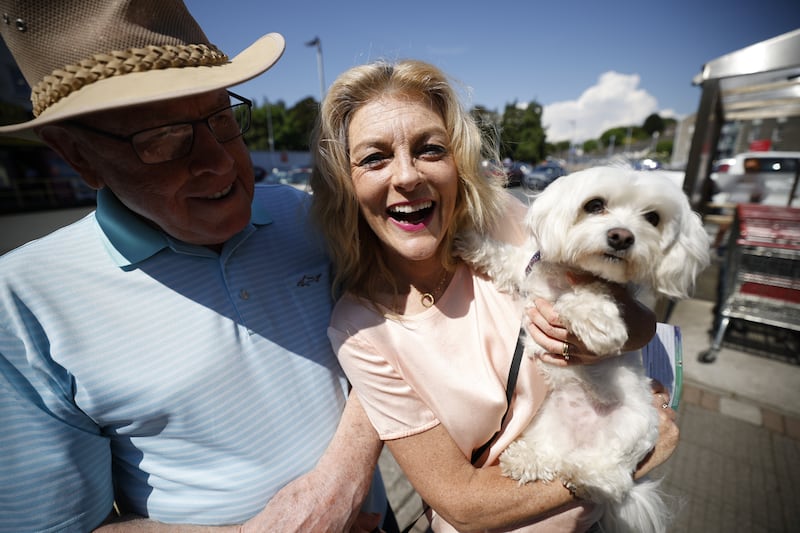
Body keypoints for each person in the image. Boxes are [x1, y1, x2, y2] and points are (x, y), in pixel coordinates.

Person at [0, 1, 393, 531]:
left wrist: (343, 476)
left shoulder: (308, 215)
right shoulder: (25, 300)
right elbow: (60, 525)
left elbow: (400, 329)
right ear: (77, 156)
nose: (221, 161)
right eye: (162, 140)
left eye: (222, 118)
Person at [309, 59, 680, 532]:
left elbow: (639, 322)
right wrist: (626, 465)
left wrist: (612, 335)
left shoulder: (507, 223)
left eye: (429, 149)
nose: (406, 176)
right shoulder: (360, 329)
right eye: (374, 157)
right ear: (344, 184)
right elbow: (462, 503)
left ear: (456, 162)